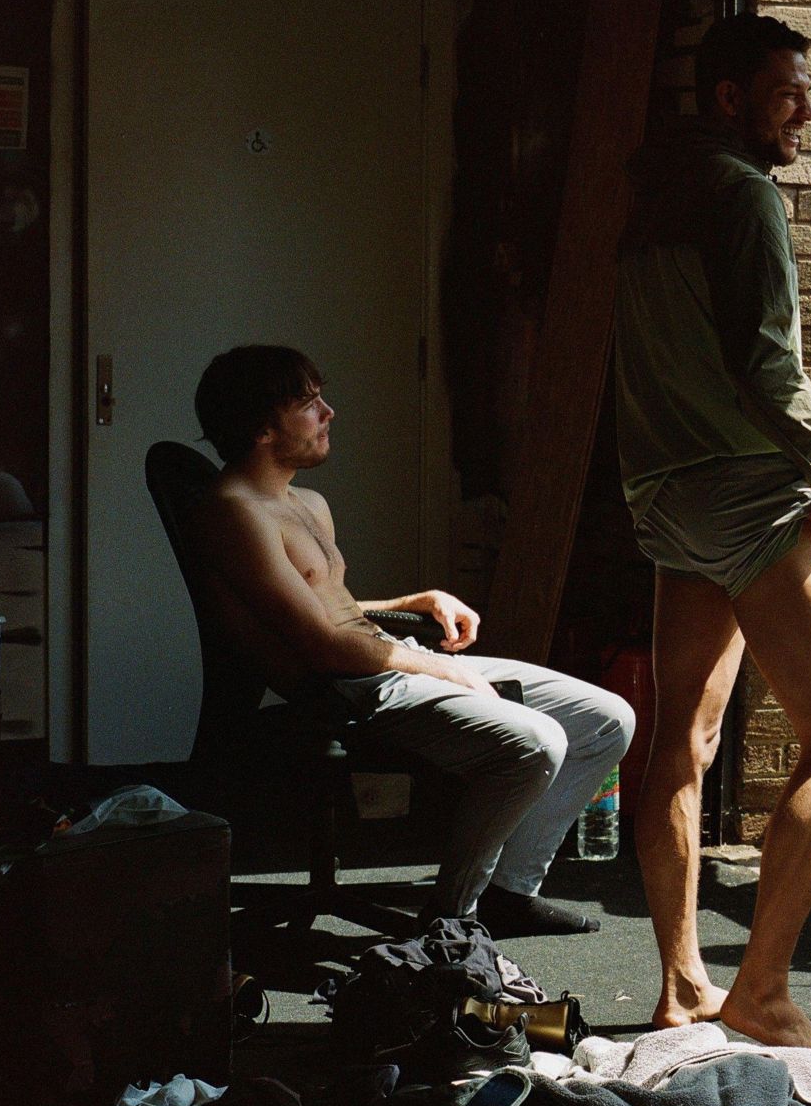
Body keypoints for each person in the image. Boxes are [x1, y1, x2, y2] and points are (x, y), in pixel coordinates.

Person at [611, 13, 811, 1054]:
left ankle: (682, 985)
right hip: (751, 499)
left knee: (682, 738)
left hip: (666, 499)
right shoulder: (744, 194)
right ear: (729, 98)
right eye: (785, 91)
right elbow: (770, 367)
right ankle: (761, 991)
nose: (805, 108)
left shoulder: (647, 196)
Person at [186, 345, 634, 938]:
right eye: (308, 403)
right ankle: (452, 922)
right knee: (537, 741)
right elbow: (319, 643)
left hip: (380, 661)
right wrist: (445, 672)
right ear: (264, 428)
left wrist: (412, 603)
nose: (330, 412)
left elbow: (321, 604)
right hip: (344, 687)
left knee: (608, 719)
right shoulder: (235, 511)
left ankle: (509, 894)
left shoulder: (304, 502)